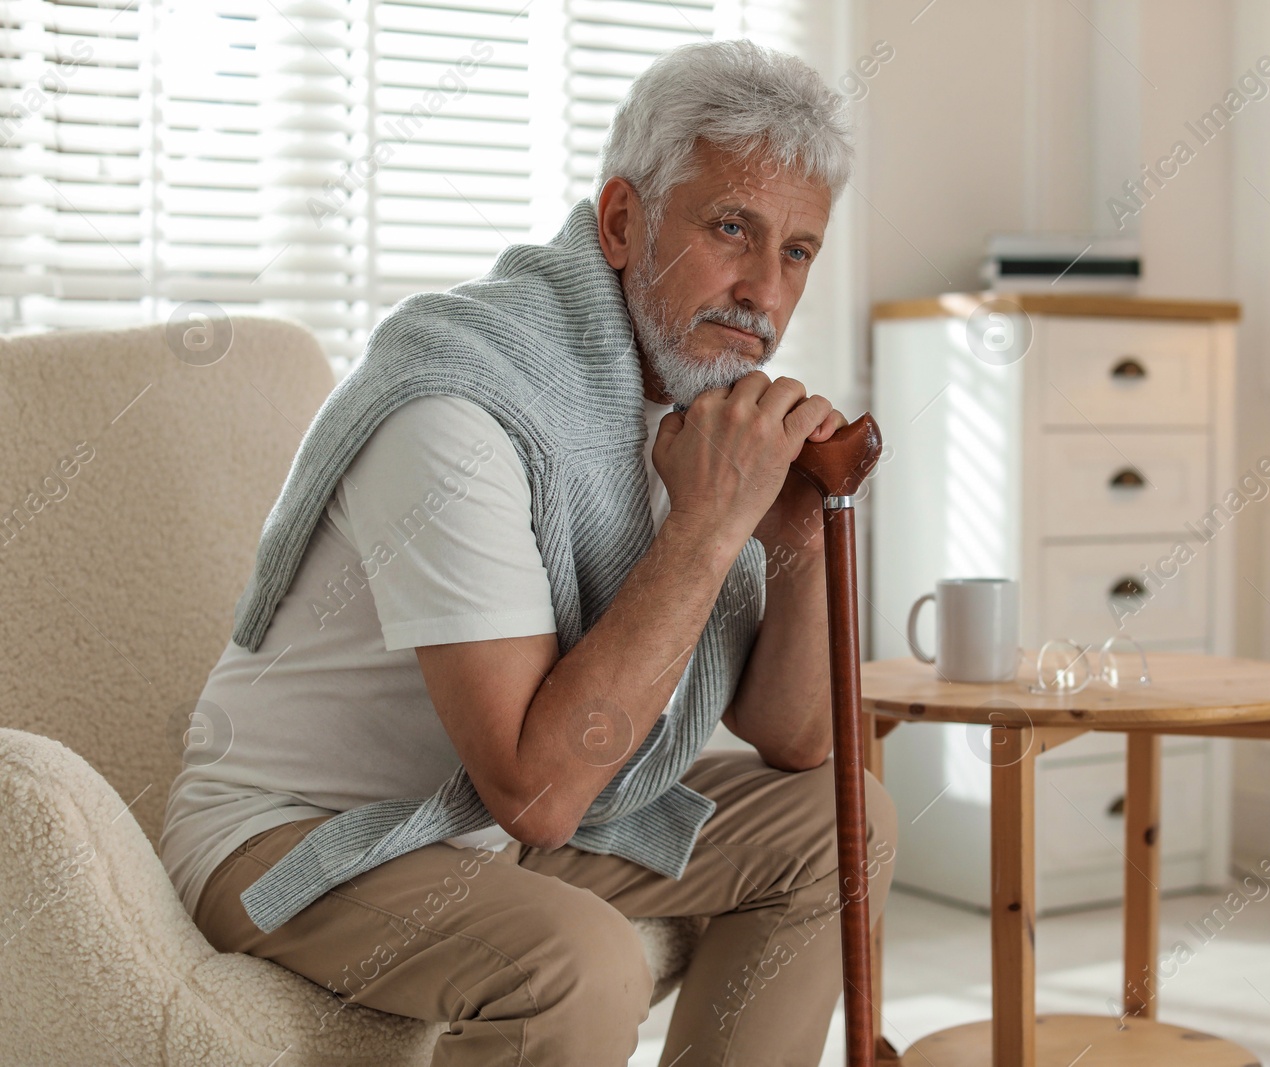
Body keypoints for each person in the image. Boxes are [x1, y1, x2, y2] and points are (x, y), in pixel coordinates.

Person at [158, 37, 897, 1067]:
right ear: (622, 221)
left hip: (501, 835)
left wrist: (789, 531)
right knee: (581, 961)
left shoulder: (700, 405)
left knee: (840, 817)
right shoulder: (462, 407)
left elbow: (798, 736)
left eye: (799, 250)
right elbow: (536, 789)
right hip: (302, 836)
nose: (764, 292)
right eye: (732, 227)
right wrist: (706, 524)